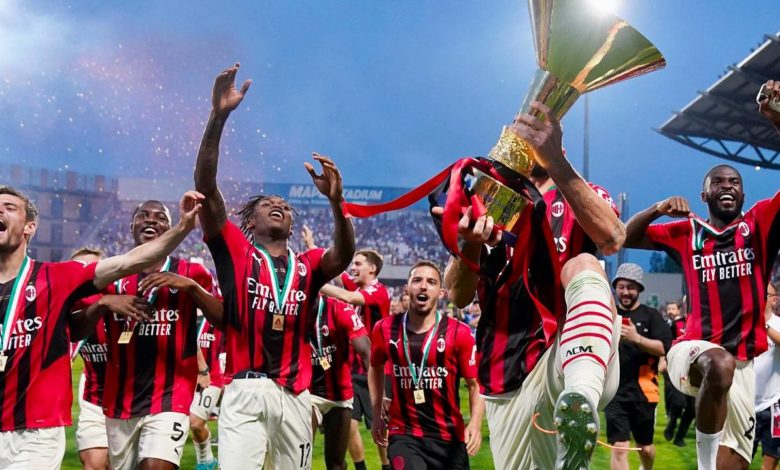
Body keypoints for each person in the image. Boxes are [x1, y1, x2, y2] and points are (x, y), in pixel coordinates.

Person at [442, 101, 623, 469]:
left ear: (556, 136)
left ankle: (580, 396)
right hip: (504, 369)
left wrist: (555, 162)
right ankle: (574, 438)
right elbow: (458, 295)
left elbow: (613, 238)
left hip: (566, 352)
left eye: (538, 127)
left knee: (584, 264)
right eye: (522, 127)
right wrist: (470, 245)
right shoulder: (489, 200)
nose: (529, 134)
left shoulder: (581, 193)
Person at [193, 63, 355, 469]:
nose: (279, 206)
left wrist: (337, 203)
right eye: (269, 204)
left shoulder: (308, 265)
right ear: (252, 220)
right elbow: (206, 187)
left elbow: (343, 256)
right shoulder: (236, 251)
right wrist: (218, 118)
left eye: (284, 206)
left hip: (296, 396)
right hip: (245, 390)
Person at [625, 83, 780, 470]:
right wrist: (658, 208)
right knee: (719, 363)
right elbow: (621, 238)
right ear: (704, 194)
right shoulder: (685, 231)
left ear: (743, 196)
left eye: (735, 182)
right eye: (719, 182)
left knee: (737, 464)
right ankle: (704, 465)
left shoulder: (759, 224)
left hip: (743, 366)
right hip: (692, 352)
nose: (728, 186)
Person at [0, 185, 203, 468]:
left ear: (29, 227)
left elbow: (131, 261)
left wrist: (183, 227)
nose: (0, 210)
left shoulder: (56, 277)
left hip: (33, 431)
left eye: (9, 207)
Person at [86, 200, 222, 470]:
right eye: (143, 216)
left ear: (170, 230)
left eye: (160, 217)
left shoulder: (192, 273)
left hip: (171, 395)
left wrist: (191, 288)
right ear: (131, 226)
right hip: (120, 399)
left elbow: (223, 320)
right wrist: (103, 303)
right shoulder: (108, 276)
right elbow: (77, 328)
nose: (151, 220)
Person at [369, 261, 483, 469]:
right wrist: (376, 413)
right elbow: (375, 367)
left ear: (441, 293)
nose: (423, 286)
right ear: (406, 289)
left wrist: (475, 424)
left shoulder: (459, 333)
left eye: (431, 282)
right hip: (404, 433)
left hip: (449, 438)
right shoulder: (384, 328)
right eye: (417, 280)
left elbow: (475, 385)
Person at [315, 246, 391, 470]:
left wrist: (313, 281)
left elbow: (347, 296)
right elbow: (341, 276)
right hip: (355, 370)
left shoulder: (378, 290)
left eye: (358, 264)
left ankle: (387, 466)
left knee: (381, 423)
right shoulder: (359, 287)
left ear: (372, 268)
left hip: (377, 368)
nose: (353, 268)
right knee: (349, 425)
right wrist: (313, 249)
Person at [606, 263, 672, 470]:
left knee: (645, 447)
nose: (625, 292)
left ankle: (646, 467)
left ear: (639, 289)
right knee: (619, 448)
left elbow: (664, 347)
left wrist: (637, 338)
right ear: (615, 288)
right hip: (614, 392)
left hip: (644, 392)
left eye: (631, 287)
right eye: (621, 287)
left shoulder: (651, 316)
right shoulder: (609, 315)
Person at [309, 295, 371, 470]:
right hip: (306, 394)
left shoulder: (340, 308)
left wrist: (379, 398)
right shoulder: (293, 309)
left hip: (339, 395)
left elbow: (366, 352)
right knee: (299, 459)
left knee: (336, 464)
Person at [69, 248, 111, 470]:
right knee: (94, 463)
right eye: (79, 269)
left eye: (93, 269)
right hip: (93, 398)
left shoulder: (122, 300)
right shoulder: (65, 308)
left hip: (131, 399)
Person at [190, 312, 225, 470]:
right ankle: (206, 460)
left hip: (212, 377)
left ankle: (206, 460)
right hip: (186, 377)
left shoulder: (215, 311)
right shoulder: (184, 311)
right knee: (191, 425)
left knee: (195, 423)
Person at [662, 299, 695, 447]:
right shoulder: (676, 324)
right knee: (678, 402)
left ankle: (679, 437)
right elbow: (666, 344)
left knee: (693, 409)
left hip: (695, 370)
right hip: (677, 368)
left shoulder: (702, 324)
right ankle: (672, 423)